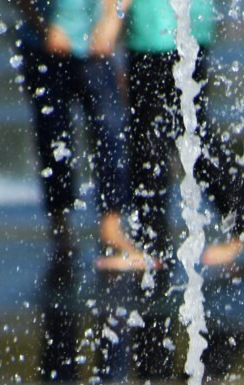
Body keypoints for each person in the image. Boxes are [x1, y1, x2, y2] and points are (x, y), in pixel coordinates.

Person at [102, 0, 244, 269]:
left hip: (157, 27)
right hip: (191, 20)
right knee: (191, 130)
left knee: (150, 138)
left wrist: (112, 17)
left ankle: (151, 246)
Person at [11, 0, 146, 267]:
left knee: (111, 133)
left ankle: (111, 227)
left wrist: (112, 21)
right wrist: (44, 27)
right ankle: (60, 228)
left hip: (95, 47)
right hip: (43, 46)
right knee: (54, 138)